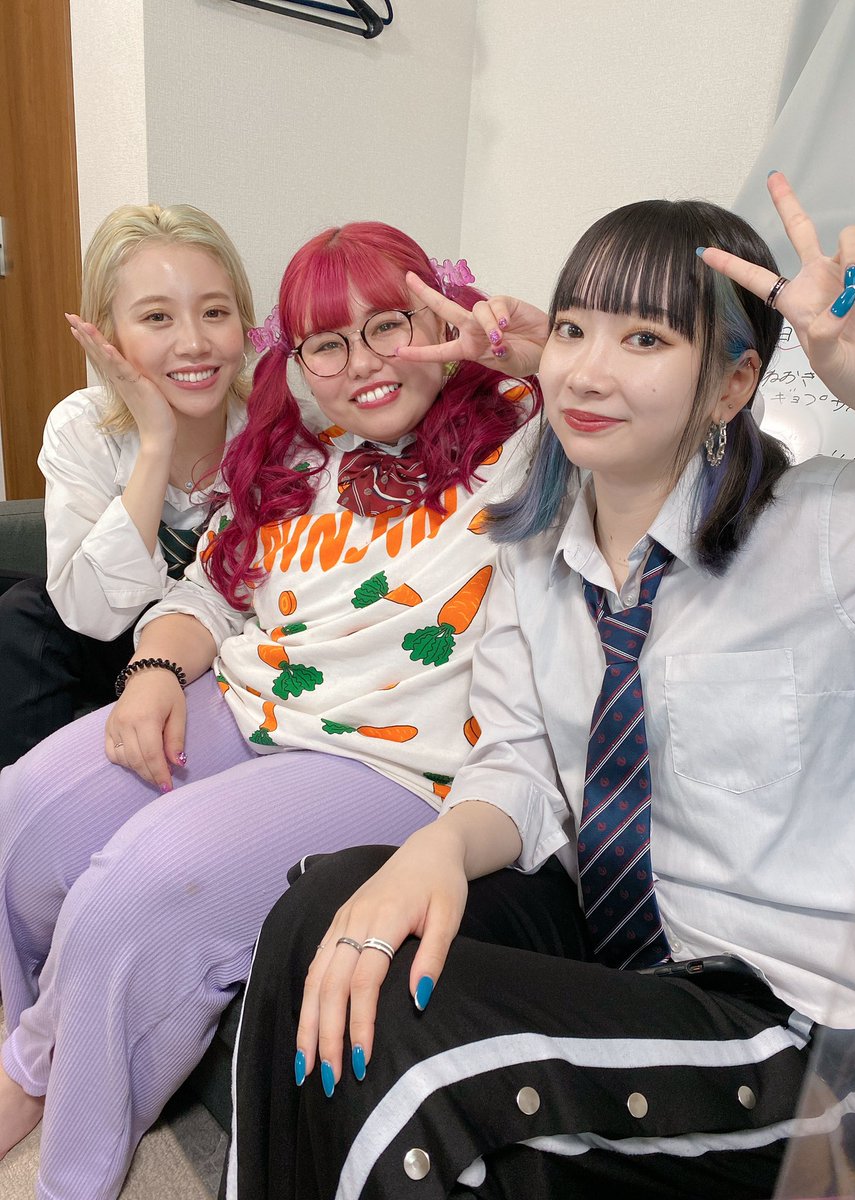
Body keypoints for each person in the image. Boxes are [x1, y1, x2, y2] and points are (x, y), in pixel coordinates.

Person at [228, 174, 855, 1200]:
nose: (586, 370)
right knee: (324, 914)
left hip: (802, 1016)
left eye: (645, 339)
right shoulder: (537, 542)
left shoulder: (836, 531)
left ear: (732, 385)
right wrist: (440, 845)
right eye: (576, 328)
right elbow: (520, 765)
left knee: (424, 1063)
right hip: (614, 945)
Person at [0, 221, 542, 1199]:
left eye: (390, 325)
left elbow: (657, 425)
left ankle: (68, 1163)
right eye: (329, 342)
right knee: (21, 810)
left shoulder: (528, 446)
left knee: (143, 881)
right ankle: (23, 1049)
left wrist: (537, 355)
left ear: (439, 317)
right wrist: (154, 669)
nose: (363, 362)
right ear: (298, 360)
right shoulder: (301, 456)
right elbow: (207, 591)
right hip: (244, 701)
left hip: (387, 761)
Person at [0, 202, 255, 769]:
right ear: (107, 333)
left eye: (215, 312)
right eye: (157, 317)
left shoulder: (283, 430)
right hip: (110, 637)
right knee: (22, 612)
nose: (194, 343)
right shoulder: (81, 425)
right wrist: (156, 441)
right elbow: (91, 615)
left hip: (226, 644)